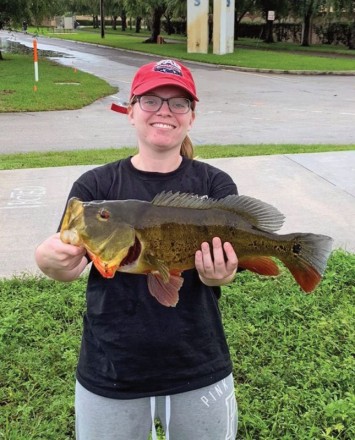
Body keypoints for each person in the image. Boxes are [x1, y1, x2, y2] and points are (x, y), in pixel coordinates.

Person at [35, 59, 239, 440]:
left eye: (179, 103)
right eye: (151, 100)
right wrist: (49, 261)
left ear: (192, 117)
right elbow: (67, 263)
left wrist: (224, 271)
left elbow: (230, 263)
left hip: (199, 364)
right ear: (130, 111)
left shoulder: (214, 183)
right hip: (111, 371)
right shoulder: (95, 187)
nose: (164, 111)